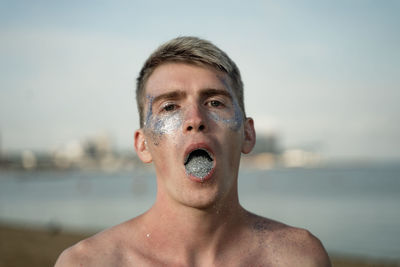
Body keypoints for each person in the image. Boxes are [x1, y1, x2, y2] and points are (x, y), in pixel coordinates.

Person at [55, 36, 331, 266]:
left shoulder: (299, 258)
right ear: (143, 144)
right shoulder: (88, 262)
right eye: (170, 107)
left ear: (247, 134)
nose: (195, 119)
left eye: (214, 102)